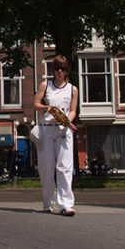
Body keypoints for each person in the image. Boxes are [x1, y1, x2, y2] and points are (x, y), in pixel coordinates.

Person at [33, 55, 78, 216]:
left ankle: (66, 204)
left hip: (63, 130)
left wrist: (66, 120)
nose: (60, 72)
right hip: (47, 129)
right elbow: (36, 103)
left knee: (65, 167)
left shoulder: (72, 89)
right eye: (57, 68)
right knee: (46, 167)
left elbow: (73, 110)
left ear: (67, 71)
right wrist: (47, 108)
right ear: (53, 70)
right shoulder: (46, 85)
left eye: (63, 69)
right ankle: (48, 202)